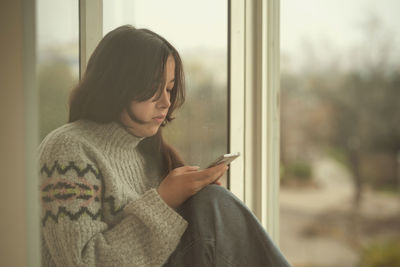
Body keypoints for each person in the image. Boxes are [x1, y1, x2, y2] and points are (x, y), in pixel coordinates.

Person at [38, 25, 291, 267]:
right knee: (213, 206)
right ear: (115, 86)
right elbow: (82, 262)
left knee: (211, 202)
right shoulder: (69, 149)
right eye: (153, 89)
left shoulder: (148, 151)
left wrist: (189, 198)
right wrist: (165, 200)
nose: (166, 102)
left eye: (170, 89)